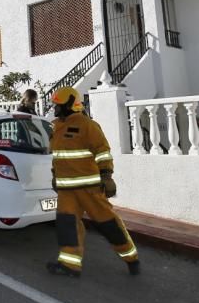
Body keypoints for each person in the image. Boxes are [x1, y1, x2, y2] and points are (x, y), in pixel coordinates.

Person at [46, 85, 139, 278]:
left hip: (90, 189)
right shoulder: (56, 126)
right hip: (66, 191)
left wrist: (107, 176)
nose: (54, 109)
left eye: (58, 105)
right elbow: (58, 157)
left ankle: (131, 258)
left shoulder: (87, 125)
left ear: (70, 105)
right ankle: (69, 265)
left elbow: (102, 151)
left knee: (109, 225)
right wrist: (55, 177)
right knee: (67, 227)